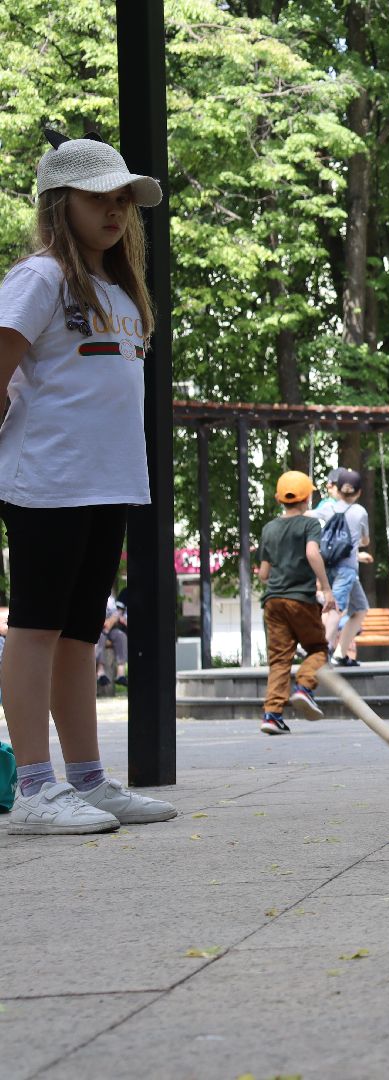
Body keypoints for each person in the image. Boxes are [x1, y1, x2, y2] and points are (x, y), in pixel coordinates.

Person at [0, 132, 176, 832]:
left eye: (122, 199)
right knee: (36, 628)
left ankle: (89, 780)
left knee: (80, 635)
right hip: (47, 482)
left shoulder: (120, 293)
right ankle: (36, 791)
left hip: (110, 485)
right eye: (98, 197)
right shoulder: (39, 278)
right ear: (58, 202)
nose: (114, 210)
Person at [257, 471, 339, 735]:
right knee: (318, 649)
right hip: (300, 599)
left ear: (279, 498)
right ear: (308, 497)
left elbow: (263, 574)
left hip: (273, 601)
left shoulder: (269, 528)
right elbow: (312, 552)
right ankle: (304, 687)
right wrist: (326, 589)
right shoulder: (310, 524)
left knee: (279, 660)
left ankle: (272, 715)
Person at [312, 467, 373, 667]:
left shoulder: (328, 508)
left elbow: (307, 515)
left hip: (329, 566)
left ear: (337, 490)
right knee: (335, 609)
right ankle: (318, 652)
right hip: (347, 569)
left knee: (361, 609)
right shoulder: (360, 512)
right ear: (359, 492)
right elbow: (365, 540)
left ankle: (339, 654)